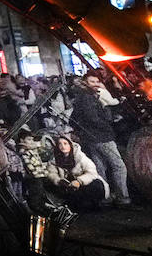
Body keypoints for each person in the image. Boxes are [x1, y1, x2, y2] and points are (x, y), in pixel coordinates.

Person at [69, 73, 132, 207]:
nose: (96, 84)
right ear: (86, 83)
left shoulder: (83, 97)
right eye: (92, 81)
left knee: (100, 168)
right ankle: (123, 197)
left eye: (97, 81)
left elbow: (75, 118)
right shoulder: (87, 98)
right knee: (118, 166)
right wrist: (108, 122)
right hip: (101, 136)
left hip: (91, 137)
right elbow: (93, 118)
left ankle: (105, 197)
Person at [45, 135, 108, 211]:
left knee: (96, 184)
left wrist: (79, 181)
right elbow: (51, 173)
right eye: (60, 144)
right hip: (68, 186)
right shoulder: (54, 159)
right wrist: (59, 181)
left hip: (84, 184)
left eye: (65, 143)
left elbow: (92, 173)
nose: (63, 146)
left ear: (70, 145)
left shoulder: (80, 157)